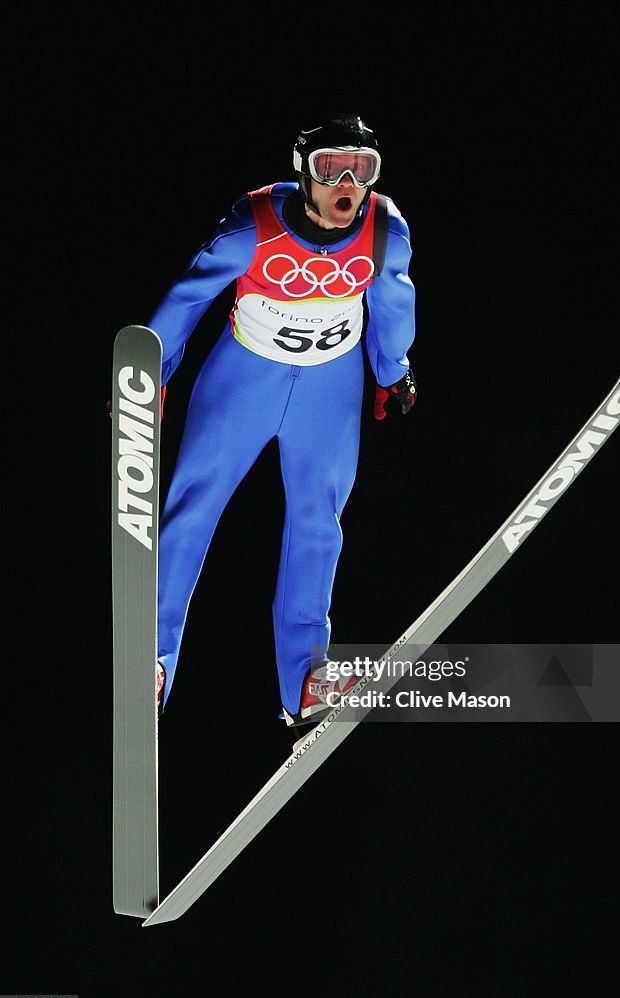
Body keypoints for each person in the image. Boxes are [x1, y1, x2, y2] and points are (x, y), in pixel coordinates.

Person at [146, 113, 417, 729]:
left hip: (330, 388)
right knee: (193, 507)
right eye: (330, 168)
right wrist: (153, 370)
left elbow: (394, 300)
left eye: (362, 169)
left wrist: (390, 371)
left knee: (318, 523)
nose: (346, 182)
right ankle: (153, 658)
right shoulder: (255, 224)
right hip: (245, 379)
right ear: (304, 174)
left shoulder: (383, 232)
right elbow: (191, 294)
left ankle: (306, 677)